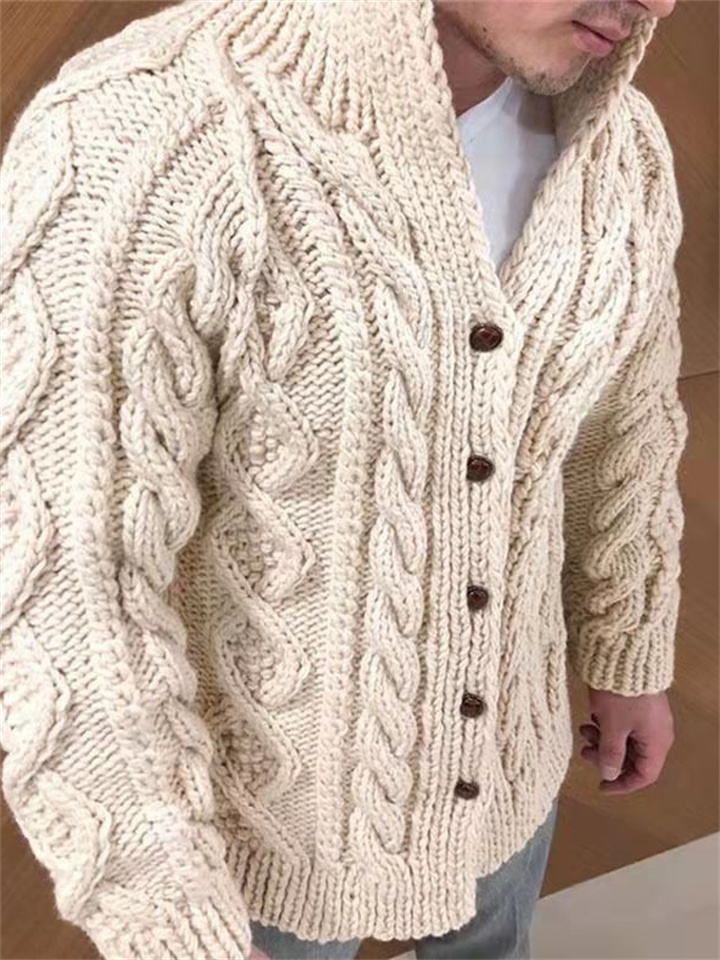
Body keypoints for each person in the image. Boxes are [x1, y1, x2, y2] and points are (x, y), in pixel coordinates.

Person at [0, 1, 686, 959]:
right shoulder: (148, 126)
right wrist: (168, 918)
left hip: (509, 775)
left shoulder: (621, 145)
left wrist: (628, 653)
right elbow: (65, 584)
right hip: (268, 846)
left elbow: (626, 420)